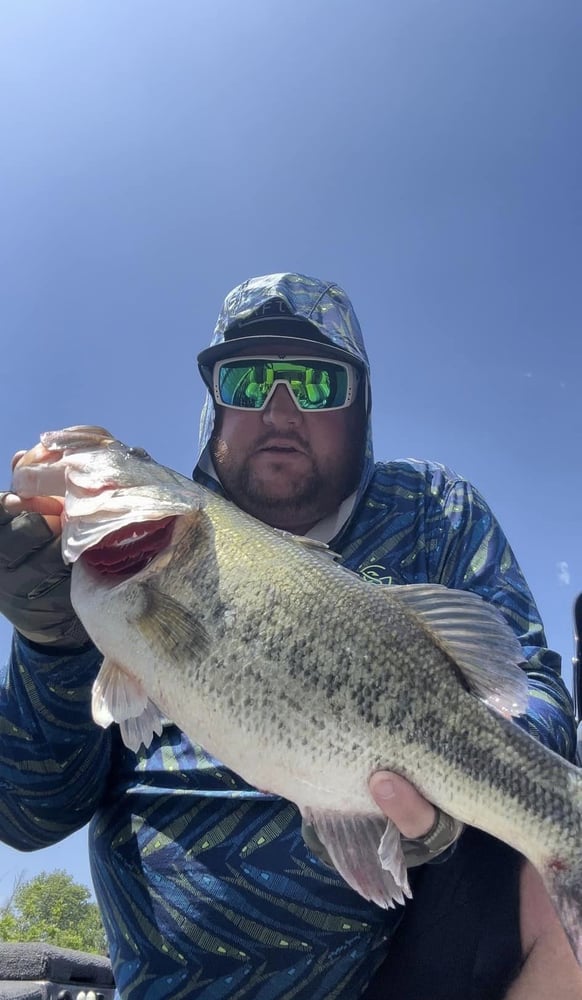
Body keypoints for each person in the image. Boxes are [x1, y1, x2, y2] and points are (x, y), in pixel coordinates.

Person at [0, 271, 580, 1000]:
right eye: (248, 382)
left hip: (427, 951)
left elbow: (535, 706)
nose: (279, 409)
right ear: (213, 406)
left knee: (552, 860)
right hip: (180, 984)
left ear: (360, 406)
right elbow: (26, 814)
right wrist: (51, 646)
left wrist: (451, 813)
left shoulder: (432, 510)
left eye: (312, 383)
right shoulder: (116, 568)